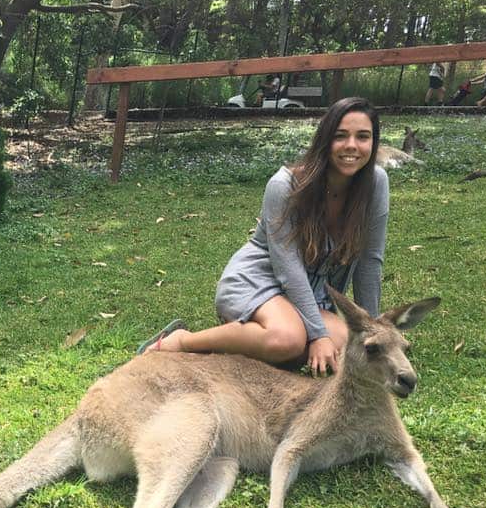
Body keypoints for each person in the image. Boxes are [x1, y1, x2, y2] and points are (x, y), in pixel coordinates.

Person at [141, 97, 389, 377]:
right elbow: (288, 269)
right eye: (340, 136)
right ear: (324, 140)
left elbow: (369, 262)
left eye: (363, 137)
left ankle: (254, 340)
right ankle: (184, 341)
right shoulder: (284, 186)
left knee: (349, 345)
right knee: (288, 340)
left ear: (373, 142)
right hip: (259, 282)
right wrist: (318, 335)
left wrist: (373, 333)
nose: (352, 146)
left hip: (309, 296)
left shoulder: (376, 183)